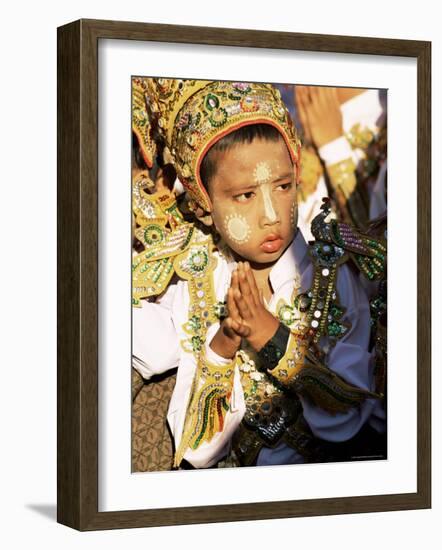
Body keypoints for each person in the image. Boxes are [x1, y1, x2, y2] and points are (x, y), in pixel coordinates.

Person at [132, 79, 387, 469]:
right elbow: (196, 449)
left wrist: (270, 336)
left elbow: (349, 415)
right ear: (203, 206)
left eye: (283, 186)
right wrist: (224, 343)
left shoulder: (332, 273)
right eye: (245, 195)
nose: (270, 214)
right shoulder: (198, 281)